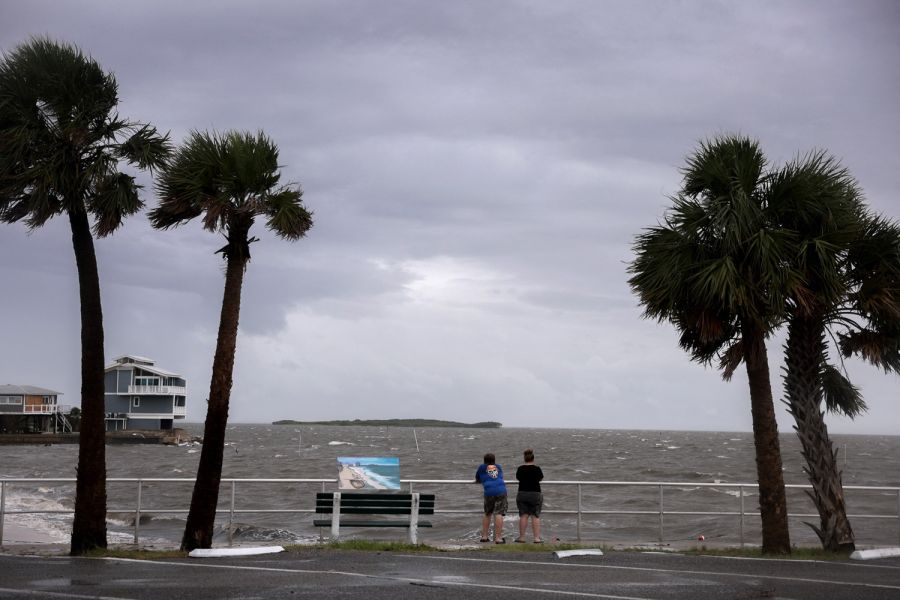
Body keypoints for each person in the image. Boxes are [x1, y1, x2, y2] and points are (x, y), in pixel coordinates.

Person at [474, 452, 508, 543]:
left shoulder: (481, 467)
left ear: (484, 461)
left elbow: (477, 478)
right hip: (501, 490)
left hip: (489, 492)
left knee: (487, 513)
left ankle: (484, 537)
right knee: (499, 513)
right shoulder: (499, 467)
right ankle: (498, 538)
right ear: (494, 460)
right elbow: (501, 476)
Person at [515, 448, 544, 543]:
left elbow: (518, 478)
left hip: (522, 493)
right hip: (535, 493)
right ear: (533, 458)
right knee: (535, 516)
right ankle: (536, 538)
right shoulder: (537, 469)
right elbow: (541, 478)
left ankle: (522, 537)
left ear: (525, 458)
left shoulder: (520, 469)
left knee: (523, 515)